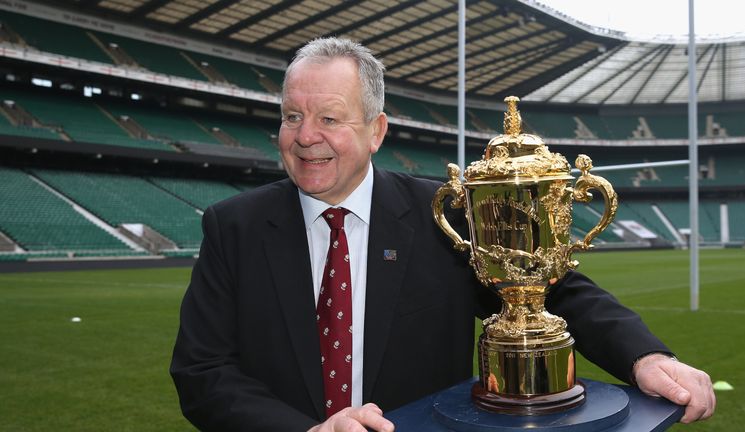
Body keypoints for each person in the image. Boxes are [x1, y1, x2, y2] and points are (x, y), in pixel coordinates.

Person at [170, 37, 715, 432]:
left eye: (330, 119)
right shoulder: (233, 226)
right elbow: (202, 371)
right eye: (292, 117)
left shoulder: (443, 214)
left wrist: (646, 357)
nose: (306, 136)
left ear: (376, 130)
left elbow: (551, 290)